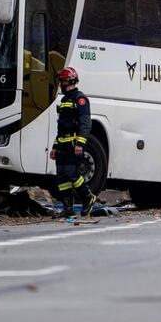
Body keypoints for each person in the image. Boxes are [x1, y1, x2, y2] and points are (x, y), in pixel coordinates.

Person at [51, 66, 96, 217]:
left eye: (62, 82)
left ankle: (88, 198)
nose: (60, 85)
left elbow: (86, 124)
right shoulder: (64, 100)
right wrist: (55, 147)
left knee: (72, 174)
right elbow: (61, 126)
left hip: (73, 144)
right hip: (62, 144)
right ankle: (68, 209)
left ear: (68, 81)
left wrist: (80, 144)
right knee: (61, 177)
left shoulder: (80, 99)